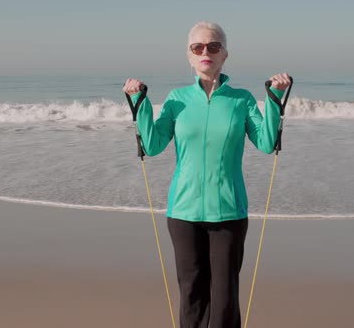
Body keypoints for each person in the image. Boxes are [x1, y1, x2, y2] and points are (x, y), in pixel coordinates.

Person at [123, 21, 291, 328]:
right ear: (188, 55)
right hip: (183, 212)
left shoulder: (240, 100)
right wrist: (139, 102)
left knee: (225, 298)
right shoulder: (177, 99)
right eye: (197, 47)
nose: (205, 52)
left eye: (214, 46)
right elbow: (152, 144)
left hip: (229, 211)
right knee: (192, 295)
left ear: (225, 54)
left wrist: (275, 99)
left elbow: (267, 143)